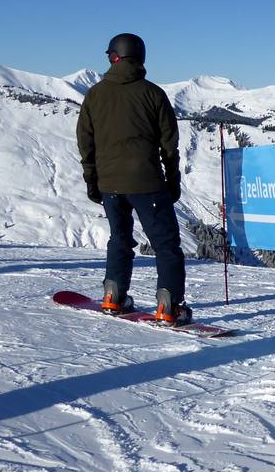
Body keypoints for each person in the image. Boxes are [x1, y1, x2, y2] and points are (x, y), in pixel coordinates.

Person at [76, 33, 191, 325]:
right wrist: (173, 181)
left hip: (110, 185)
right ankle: (169, 307)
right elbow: (169, 145)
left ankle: (113, 296)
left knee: (119, 239)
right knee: (165, 245)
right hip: (147, 183)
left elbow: (86, 143)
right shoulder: (153, 94)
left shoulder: (94, 95)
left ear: (114, 57)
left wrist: (92, 180)